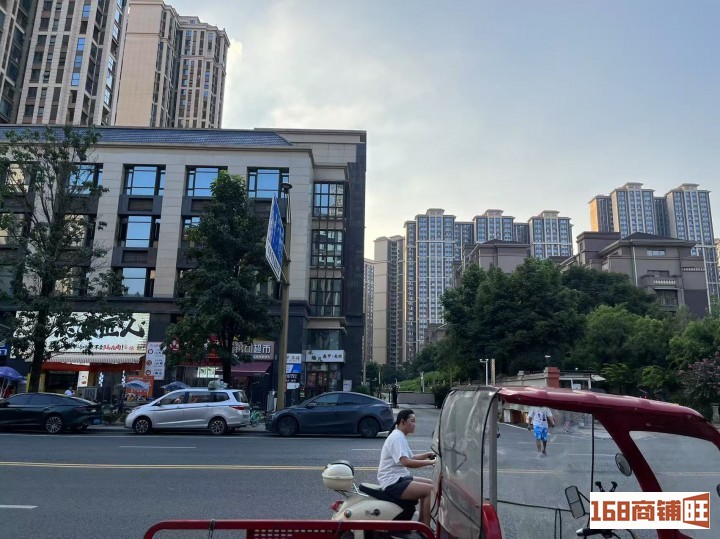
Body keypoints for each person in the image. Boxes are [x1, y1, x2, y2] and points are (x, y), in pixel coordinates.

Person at [377, 408, 436, 526]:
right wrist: (431, 462)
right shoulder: (397, 437)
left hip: (399, 478)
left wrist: (427, 455)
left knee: (432, 484)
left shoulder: (399, 436)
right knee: (431, 490)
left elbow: (411, 457)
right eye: (412, 421)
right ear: (403, 422)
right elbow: (406, 462)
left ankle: (421, 525)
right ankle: (426, 527)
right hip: (392, 482)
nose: (414, 425)